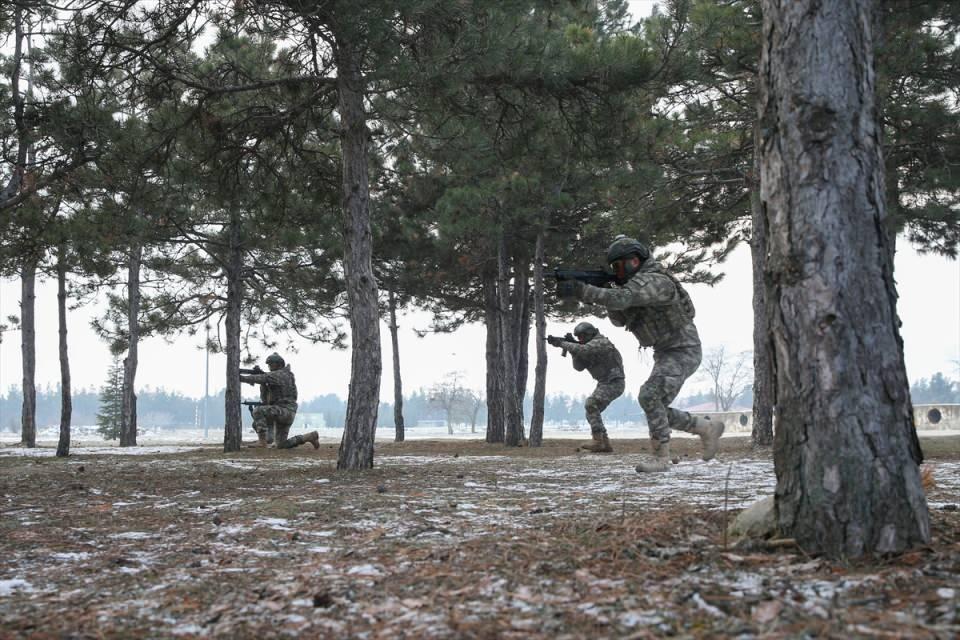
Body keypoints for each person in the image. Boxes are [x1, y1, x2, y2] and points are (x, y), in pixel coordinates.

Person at [561, 235, 724, 472]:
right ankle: (705, 427)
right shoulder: (632, 286)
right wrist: (607, 291)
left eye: (620, 266)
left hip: (683, 349)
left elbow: (624, 299)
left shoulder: (656, 281)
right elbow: (619, 318)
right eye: (613, 268)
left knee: (649, 395)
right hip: (665, 351)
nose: (617, 272)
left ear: (635, 261)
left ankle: (661, 458)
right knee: (654, 404)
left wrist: (583, 290)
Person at [548, 322, 625, 453]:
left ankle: (598, 441)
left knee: (591, 403)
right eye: (579, 338)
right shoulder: (586, 346)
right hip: (604, 383)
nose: (580, 340)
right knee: (591, 412)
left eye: (582, 337)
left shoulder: (601, 342)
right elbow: (578, 367)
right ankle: (605, 443)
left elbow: (584, 350)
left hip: (614, 382)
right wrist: (573, 349)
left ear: (590, 334)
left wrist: (563, 344)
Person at [240, 353, 318, 450]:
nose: (269, 367)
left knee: (258, 411)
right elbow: (265, 399)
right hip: (286, 412)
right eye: (269, 365)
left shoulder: (281, 374)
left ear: (279, 364)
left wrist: (241, 378)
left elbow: (263, 378)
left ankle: (262, 442)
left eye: (271, 364)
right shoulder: (283, 376)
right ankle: (309, 437)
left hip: (284, 411)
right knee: (281, 445)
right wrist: (264, 385)